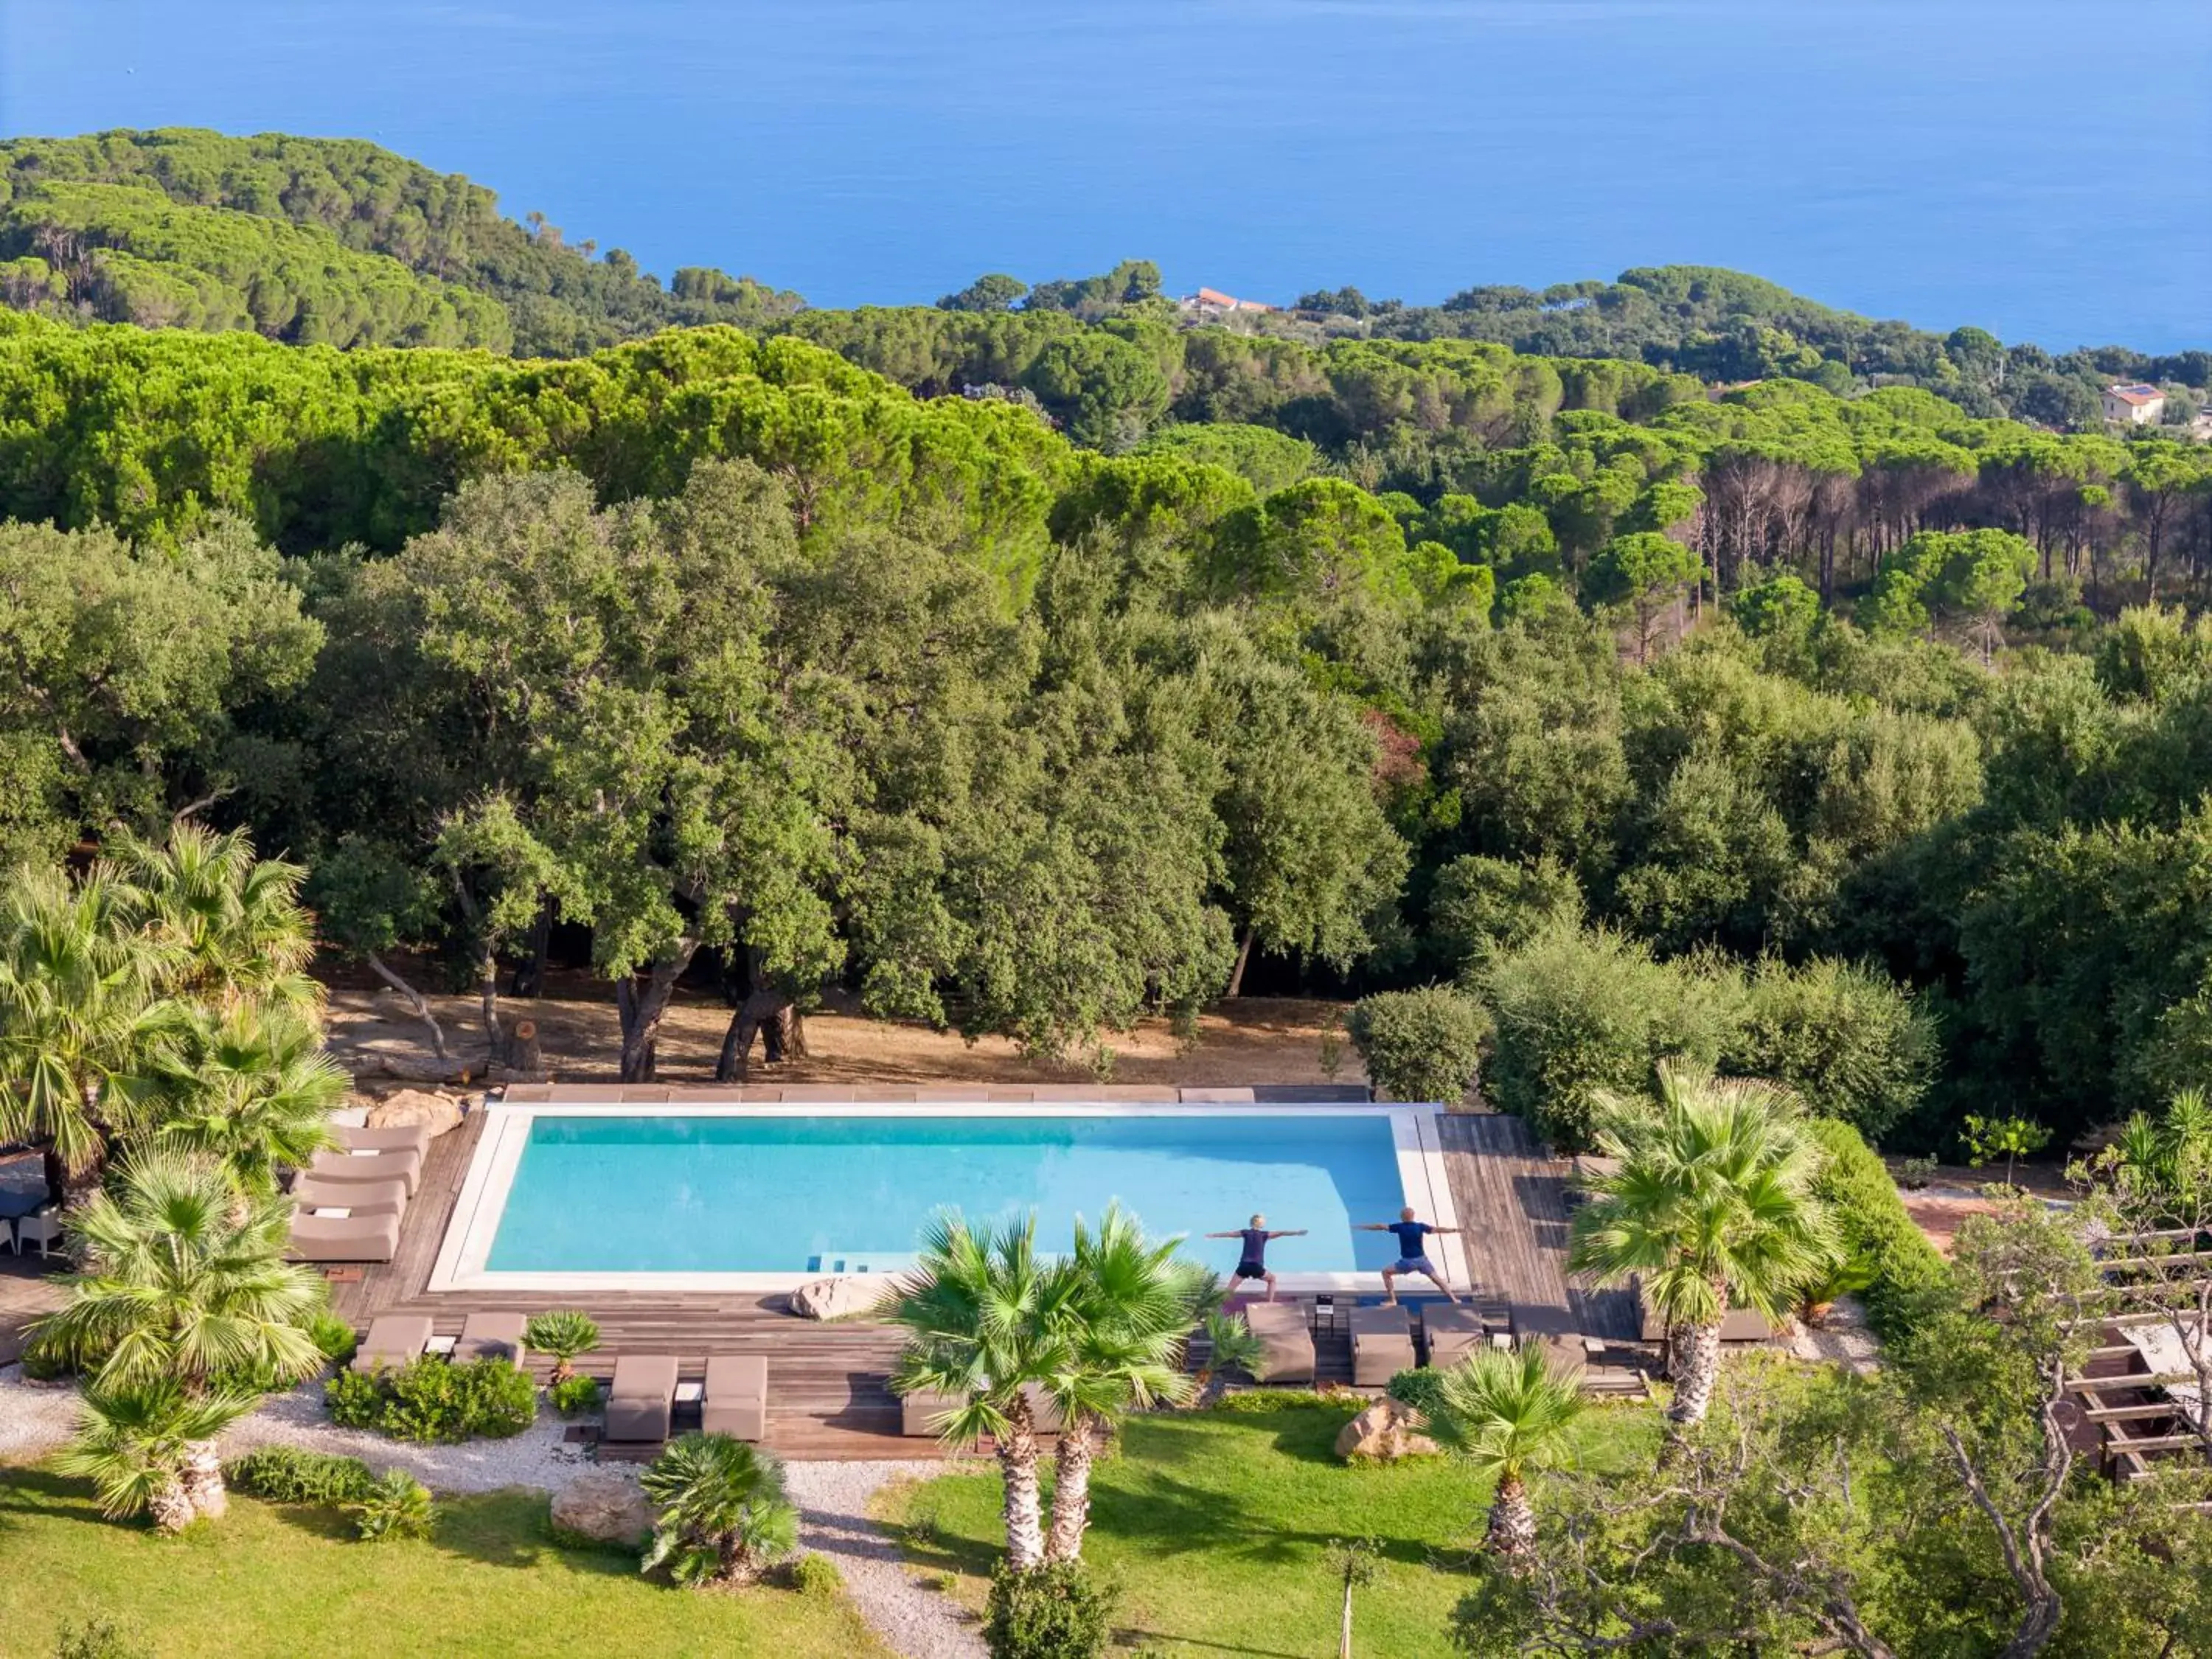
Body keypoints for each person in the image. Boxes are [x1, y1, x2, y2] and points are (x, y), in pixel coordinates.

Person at [1357, 1206, 1461, 1304]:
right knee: (1437, 1280)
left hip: (1408, 1262)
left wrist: (1363, 1227)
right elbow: (1438, 1229)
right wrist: (1454, 1230)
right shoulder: (1420, 1226)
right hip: (1422, 1260)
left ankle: (1393, 1300)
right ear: (1413, 1216)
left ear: (1402, 1217)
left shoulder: (1400, 1227)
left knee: (1386, 1272)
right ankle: (1454, 1298)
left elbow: (1380, 1226)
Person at [1205, 1214, 1307, 1304]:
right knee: (1272, 1280)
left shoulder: (1245, 1233)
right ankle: (1270, 1304)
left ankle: (1218, 1306)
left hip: (1243, 1266)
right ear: (1261, 1224)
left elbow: (1229, 1234)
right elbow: (1282, 1233)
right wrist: (1297, 1232)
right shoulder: (1264, 1235)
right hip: (1256, 1267)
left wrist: (1213, 1235)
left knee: (1230, 1289)